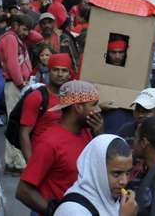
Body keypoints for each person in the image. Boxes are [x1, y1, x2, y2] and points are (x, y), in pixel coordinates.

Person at [17, 80, 104, 213]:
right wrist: (56, 211)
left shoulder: (87, 133)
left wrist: (99, 136)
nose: (98, 110)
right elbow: (23, 191)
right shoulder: (49, 142)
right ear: (78, 107)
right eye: (94, 105)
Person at [54, 135, 137, 216]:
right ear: (97, 171)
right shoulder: (72, 210)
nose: (124, 181)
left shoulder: (116, 202)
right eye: (116, 174)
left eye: (128, 173)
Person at [19, 53, 73, 160]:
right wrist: (31, 165)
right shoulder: (36, 97)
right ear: (49, 71)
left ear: (69, 74)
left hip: (62, 161)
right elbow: (24, 133)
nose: (60, 74)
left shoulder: (72, 98)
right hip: (40, 158)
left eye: (64, 70)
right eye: (55, 70)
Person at [0, 14, 35, 173]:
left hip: (17, 84)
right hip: (15, 85)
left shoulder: (14, 37)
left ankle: (12, 161)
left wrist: (27, 28)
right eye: (25, 29)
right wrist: (21, 84)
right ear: (15, 24)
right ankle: (17, 162)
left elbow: (37, 37)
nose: (27, 33)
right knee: (16, 123)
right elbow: (13, 64)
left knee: (15, 122)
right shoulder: (11, 39)